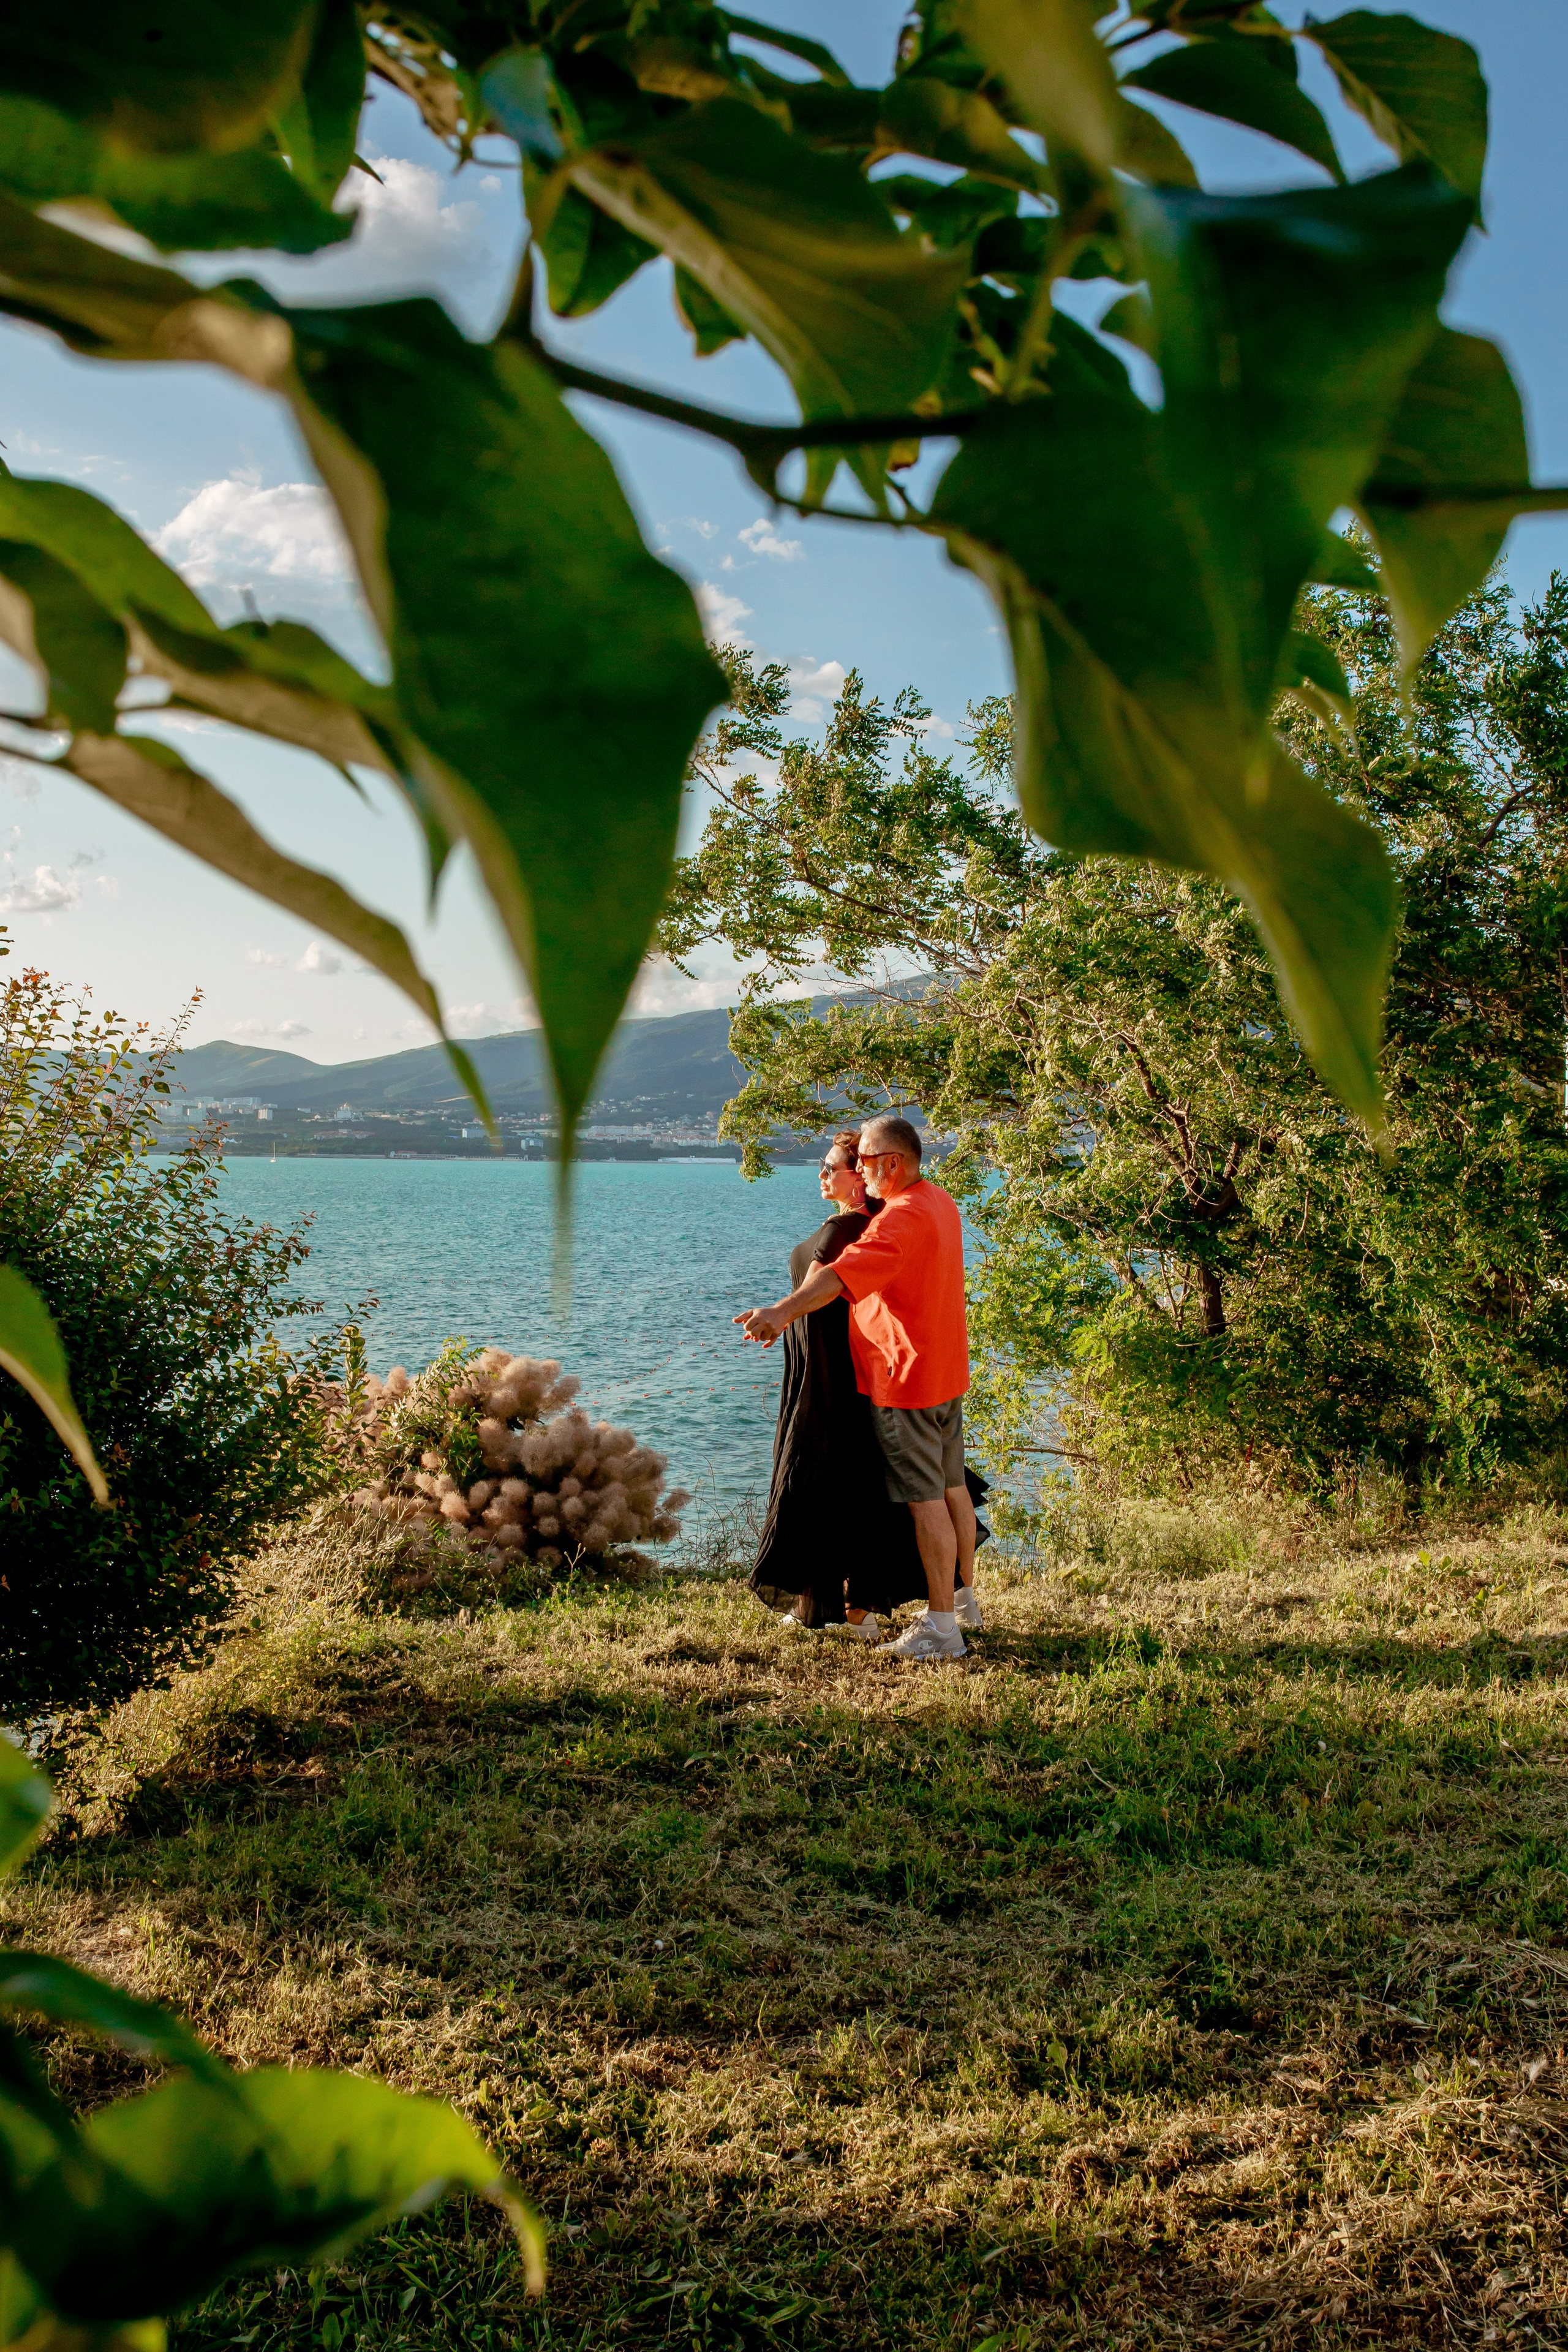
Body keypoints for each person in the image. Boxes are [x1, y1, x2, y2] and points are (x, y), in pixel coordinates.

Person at [736, 1114, 979, 1662]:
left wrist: (781, 1310)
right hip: (943, 1374)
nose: (861, 1171)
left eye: (865, 1161)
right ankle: (961, 1606)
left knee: (924, 1505)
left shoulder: (901, 1219)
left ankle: (942, 1629)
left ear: (892, 1163)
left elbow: (838, 1277)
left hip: (905, 1381)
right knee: (947, 1488)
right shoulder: (938, 1200)